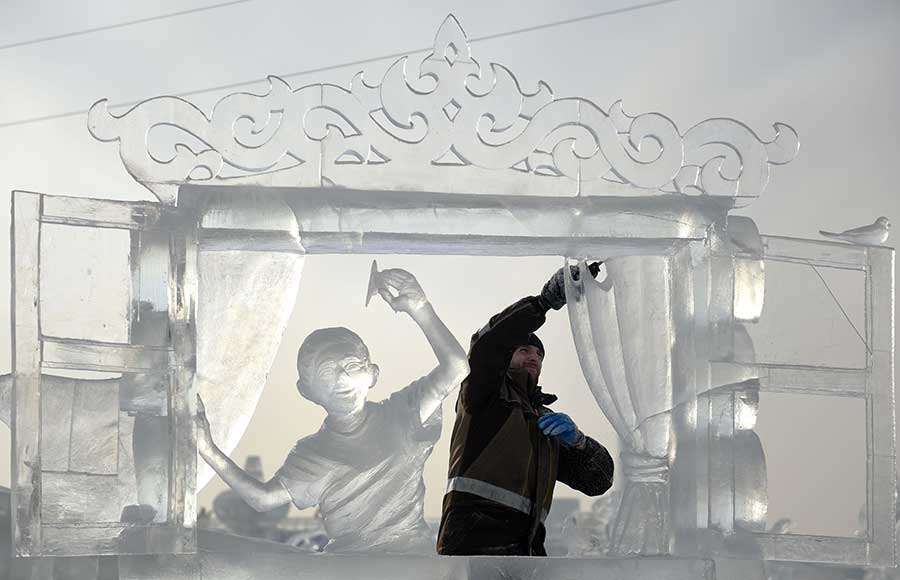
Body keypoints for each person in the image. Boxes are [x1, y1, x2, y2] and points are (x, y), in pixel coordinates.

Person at [197, 267, 468, 553]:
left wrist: (420, 308)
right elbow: (263, 499)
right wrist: (207, 449)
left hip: (413, 561)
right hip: (349, 567)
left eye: (351, 366)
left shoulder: (401, 415)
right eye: (326, 374)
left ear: (373, 374)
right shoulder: (312, 453)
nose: (341, 380)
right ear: (307, 391)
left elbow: (457, 368)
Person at [436, 264, 614, 556]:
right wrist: (543, 303)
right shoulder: (484, 395)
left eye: (539, 354)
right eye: (524, 350)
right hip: (473, 545)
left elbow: (599, 482)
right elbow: (486, 344)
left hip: (527, 550)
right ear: (506, 357)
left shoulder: (545, 423)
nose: (533, 356)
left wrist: (579, 442)